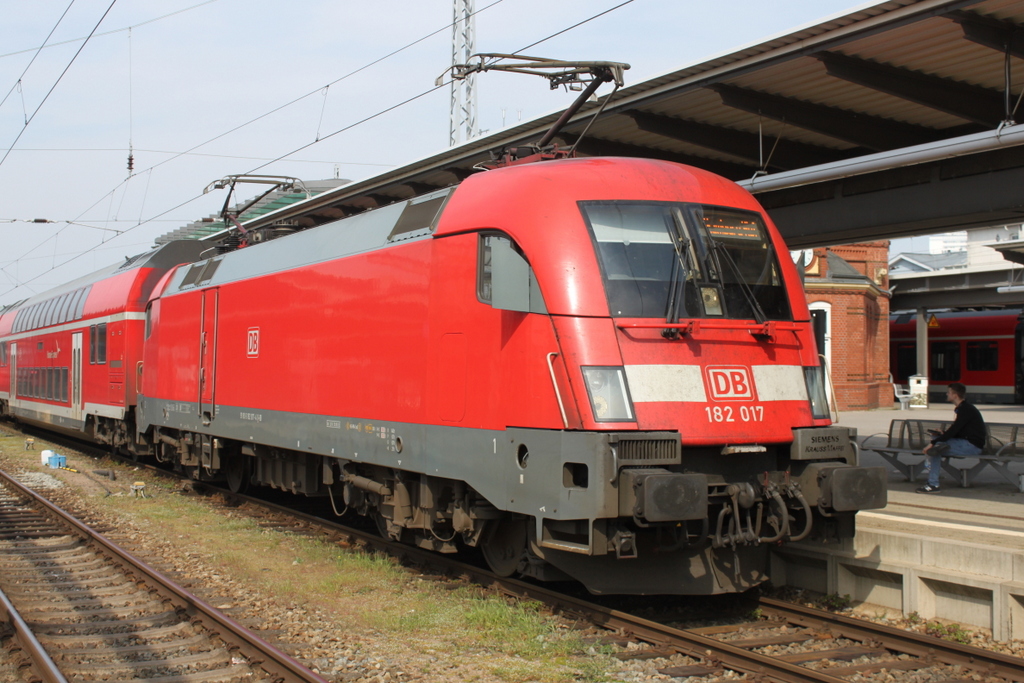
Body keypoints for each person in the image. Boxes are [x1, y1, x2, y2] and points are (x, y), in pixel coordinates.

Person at [916, 382, 987, 493]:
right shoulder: (964, 408)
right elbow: (959, 431)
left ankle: (933, 484)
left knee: (935, 450)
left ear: (955, 395)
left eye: (949, 392)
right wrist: (943, 433)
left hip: (972, 446)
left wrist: (934, 442)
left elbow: (954, 430)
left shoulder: (966, 409)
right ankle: (933, 480)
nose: (946, 394)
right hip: (966, 442)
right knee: (936, 449)